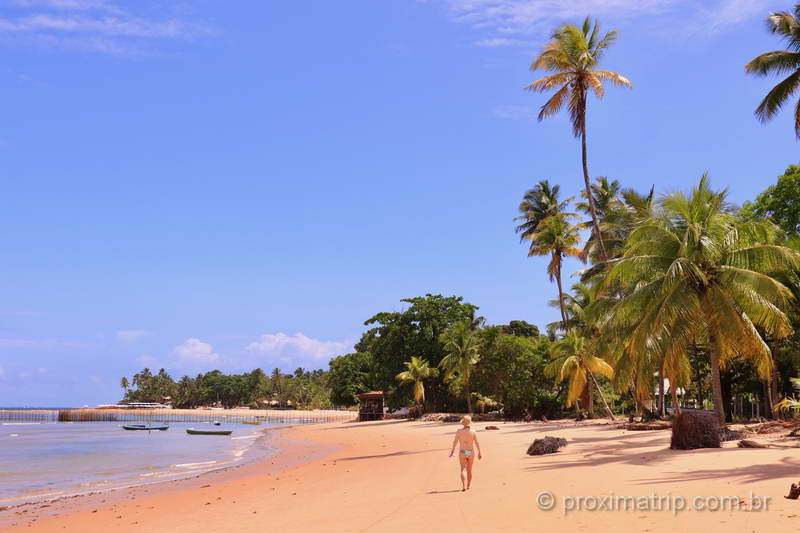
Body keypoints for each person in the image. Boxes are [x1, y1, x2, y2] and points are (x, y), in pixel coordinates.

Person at [448, 415, 482, 491]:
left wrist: (452, 451)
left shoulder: (459, 431)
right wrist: (480, 452)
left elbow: (455, 442)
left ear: (462, 423)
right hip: (470, 452)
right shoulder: (473, 432)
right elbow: (477, 442)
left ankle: (463, 486)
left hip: (462, 452)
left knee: (463, 469)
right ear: (470, 423)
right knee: (469, 469)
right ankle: (468, 485)